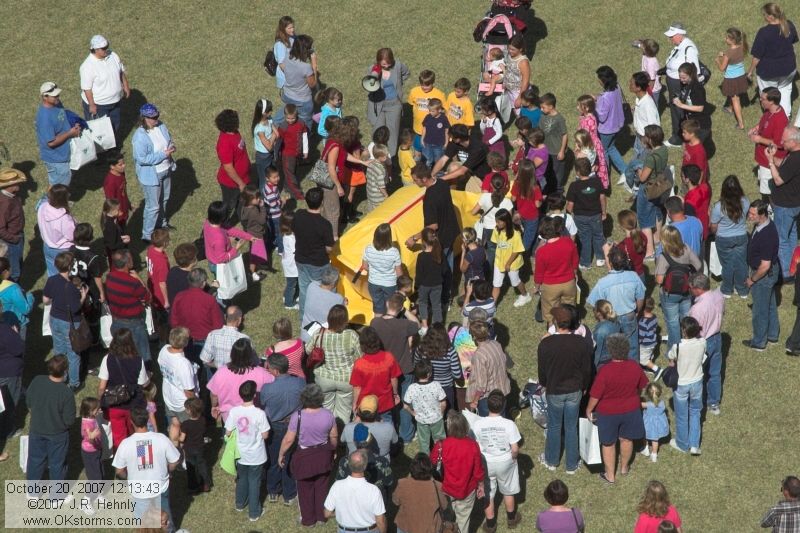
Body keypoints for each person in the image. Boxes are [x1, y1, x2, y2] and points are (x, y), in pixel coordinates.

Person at [586, 334, 648, 484]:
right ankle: (624, 468)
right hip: (631, 409)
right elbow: (642, 385)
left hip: (608, 412)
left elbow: (595, 394)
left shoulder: (605, 371)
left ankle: (610, 476)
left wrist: (589, 410)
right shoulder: (634, 366)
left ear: (611, 351)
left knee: (608, 443)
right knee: (627, 439)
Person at [537, 306, 592, 473]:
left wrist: (545, 384)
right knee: (571, 426)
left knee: (554, 426)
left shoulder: (545, 344)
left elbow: (542, 370)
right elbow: (587, 369)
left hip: (554, 390)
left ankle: (552, 461)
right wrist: (585, 387)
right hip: (575, 390)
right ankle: (571, 465)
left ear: (555, 323)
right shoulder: (582, 343)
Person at [278, 384, 338, 527]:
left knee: (304, 490)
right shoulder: (328, 414)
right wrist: (333, 450)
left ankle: (308, 520)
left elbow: (288, 439)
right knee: (322, 487)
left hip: (304, 457)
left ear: (304, 398)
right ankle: (321, 517)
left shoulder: (297, 416)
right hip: (323, 455)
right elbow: (334, 436)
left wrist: (281, 454)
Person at [113, 407, 180, 532]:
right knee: (165, 521)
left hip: (139, 492)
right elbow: (175, 461)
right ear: (147, 419)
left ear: (131, 422)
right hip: (160, 488)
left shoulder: (126, 444)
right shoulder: (161, 438)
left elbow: (119, 470)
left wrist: (128, 479)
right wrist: (168, 470)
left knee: (143, 525)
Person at [406, 164, 460, 300]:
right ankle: (449, 294)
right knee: (449, 263)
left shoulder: (429, 198)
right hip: (452, 230)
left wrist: (414, 238)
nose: (414, 182)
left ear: (424, 179)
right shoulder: (442, 183)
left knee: (440, 268)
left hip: (440, 238)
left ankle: (443, 297)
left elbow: (433, 225)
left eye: (416, 180)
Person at [371, 293, 419, 443]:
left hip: (383, 369)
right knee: (405, 402)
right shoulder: (404, 325)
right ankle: (406, 435)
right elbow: (417, 324)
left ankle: (389, 436)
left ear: (386, 304)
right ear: (400, 309)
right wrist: (405, 311)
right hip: (403, 368)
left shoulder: (375, 323)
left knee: (387, 402)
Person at [474, 390, 523, 532]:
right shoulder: (509, 424)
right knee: (508, 490)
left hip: (486, 462)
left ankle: (490, 525)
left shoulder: (478, 424)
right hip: (505, 460)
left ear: (487, 405)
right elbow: (514, 448)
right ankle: (511, 518)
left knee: (488, 492)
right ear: (503, 406)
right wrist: (513, 459)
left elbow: (475, 446)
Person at [260, 352, 304, 504]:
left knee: (274, 458)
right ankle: (289, 494)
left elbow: (263, 403)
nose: (267, 369)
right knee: (290, 458)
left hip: (276, 426)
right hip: (294, 425)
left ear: (276, 371)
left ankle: (272, 490)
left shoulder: (267, 388)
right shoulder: (300, 383)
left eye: (269, 368)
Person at [430, 411, 485, 533]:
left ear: (449, 427)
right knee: (463, 520)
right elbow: (478, 471)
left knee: (446, 517)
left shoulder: (441, 445)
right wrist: (481, 485)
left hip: (445, 488)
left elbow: (432, 463)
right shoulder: (473, 445)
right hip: (466, 490)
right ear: (465, 426)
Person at [588, 244, 645, 359]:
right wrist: (637, 311)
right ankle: (633, 371)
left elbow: (594, 302)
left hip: (611, 318)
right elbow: (640, 297)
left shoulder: (602, 283)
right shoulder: (634, 276)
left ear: (611, 263)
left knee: (612, 347)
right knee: (632, 347)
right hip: (629, 314)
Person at [97, 328, 150, 451]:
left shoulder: (107, 359)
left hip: (114, 404)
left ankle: (121, 465)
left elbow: (101, 386)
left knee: (118, 437)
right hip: (134, 404)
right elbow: (143, 383)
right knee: (136, 436)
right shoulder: (138, 360)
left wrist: (100, 401)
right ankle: (138, 459)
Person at [224, 380, 270, 522]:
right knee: (254, 482)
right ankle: (254, 512)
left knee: (242, 478)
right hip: (256, 455)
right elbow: (265, 435)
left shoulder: (234, 411)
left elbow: (228, 432)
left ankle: (239, 503)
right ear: (254, 396)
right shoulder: (259, 413)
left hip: (240, 453)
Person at [25, 355, 75, 484]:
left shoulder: (37, 380)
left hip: (36, 429)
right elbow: (69, 420)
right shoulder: (66, 392)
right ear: (65, 371)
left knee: (35, 460)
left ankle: (32, 493)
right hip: (57, 434)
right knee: (57, 463)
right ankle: (56, 497)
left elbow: (29, 402)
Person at [43, 252, 87, 389]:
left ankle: (60, 376)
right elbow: (75, 308)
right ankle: (74, 383)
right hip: (70, 323)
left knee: (59, 350)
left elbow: (45, 300)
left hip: (54, 319)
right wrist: (83, 296)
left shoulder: (51, 280)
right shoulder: (72, 288)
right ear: (69, 267)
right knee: (73, 354)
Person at [309, 305, 360, 423]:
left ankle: (328, 435)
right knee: (344, 411)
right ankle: (341, 436)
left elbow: (307, 350)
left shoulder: (319, 333)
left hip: (324, 378)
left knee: (326, 410)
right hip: (346, 380)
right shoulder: (352, 335)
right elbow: (360, 356)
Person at [133, 103, 176, 242]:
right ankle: (147, 235)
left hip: (166, 169)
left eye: (157, 116)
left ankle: (161, 225)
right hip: (152, 176)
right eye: (153, 117)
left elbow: (169, 139)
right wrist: (163, 155)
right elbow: (142, 159)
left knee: (165, 199)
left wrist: (171, 146)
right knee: (153, 206)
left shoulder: (161, 126)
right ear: (144, 118)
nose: (156, 119)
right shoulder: (139, 137)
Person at [747, 3, 798, 118]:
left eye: (765, 15)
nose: (764, 17)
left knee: (768, 96)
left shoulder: (764, 33)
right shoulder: (789, 25)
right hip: (789, 69)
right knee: (785, 91)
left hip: (768, 73)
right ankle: (785, 116)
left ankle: (772, 118)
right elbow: (793, 41)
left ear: (770, 17)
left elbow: (757, 57)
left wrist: (749, 72)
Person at [655, 226, 702, 350]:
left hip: (669, 294)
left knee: (672, 322)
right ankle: (688, 344)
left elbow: (659, 280)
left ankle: (675, 350)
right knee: (686, 318)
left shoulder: (663, 256)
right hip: (686, 291)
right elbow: (698, 265)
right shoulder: (686, 248)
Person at [744, 200, 781, 351]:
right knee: (770, 304)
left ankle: (759, 342)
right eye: (750, 212)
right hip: (769, 273)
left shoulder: (766, 235)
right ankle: (772, 334)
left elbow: (764, 266)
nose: (750, 216)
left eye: (753, 214)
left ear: (763, 214)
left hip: (763, 275)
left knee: (760, 309)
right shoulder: (764, 224)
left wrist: (752, 279)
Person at [207, 338, 273, 422]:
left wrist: (214, 406)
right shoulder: (262, 373)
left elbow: (214, 395)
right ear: (250, 355)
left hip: (229, 419)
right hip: (254, 420)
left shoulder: (221, 372)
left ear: (232, 354)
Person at [79, 35, 130, 143]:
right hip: (99, 105)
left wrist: (125, 86)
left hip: (115, 101)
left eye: (107, 46)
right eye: (103, 48)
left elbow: (120, 71)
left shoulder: (113, 55)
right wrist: (92, 105)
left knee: (115, 125)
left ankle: (113, 149)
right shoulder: (87, 66)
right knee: (100, 132)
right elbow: (87, 89)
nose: (106, 49)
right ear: (95, 49)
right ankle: (102, 155)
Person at [294, 187, 334, 318]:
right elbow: (329, 248)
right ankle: (323, 315)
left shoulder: (298, 215)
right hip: (318, 263)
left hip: (300, 259)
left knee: (304, 290)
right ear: (322, 202)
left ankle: (303, 317)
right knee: (324, 290)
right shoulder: (325, 224)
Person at [667, 316, 706, 455]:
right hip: (697, 382)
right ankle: (694, 445)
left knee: (682, 415)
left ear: (684, 331)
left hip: (682, 384)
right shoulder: (702, 342)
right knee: (695, 412)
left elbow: (671, 360)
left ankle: (682, 444)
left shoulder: (677, 347)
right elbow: (702, 358)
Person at [105, 249, 152, 363]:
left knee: (122, 353)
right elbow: (148, 298)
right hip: (134, 324)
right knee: (142, 354)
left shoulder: (110, 277)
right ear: (127, 263)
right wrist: (139, 279)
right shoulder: (133, 282)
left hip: (116, 321)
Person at [765, 126, 800, 279]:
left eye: (784, 141)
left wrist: (770, 162)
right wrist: (774, 158)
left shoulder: (795, 159)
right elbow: (785, 166)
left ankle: (786, 273)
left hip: (785, 206)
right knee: (792, 235)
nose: (781, 143)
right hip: (794, 204)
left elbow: (778, 180)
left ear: (793, 141)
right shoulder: (793, 155)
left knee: (781, 238)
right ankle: (794, 266)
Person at [688, 273, 725, 415]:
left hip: (703, 342)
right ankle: (714, 403)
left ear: (698, 289)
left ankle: (696, 402)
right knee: (715, 373)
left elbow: (693, 331)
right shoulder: (719, 295)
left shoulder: (697, 309)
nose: (690, 290)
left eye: (691, 288)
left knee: (697, 373)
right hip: (717, 337)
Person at [324, 450, 387, 533]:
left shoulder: (337, 486)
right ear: (365, 466)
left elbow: (327, 514)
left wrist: (341, 512)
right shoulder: (374, 490)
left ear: (349, 465)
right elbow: (380, 520)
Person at [170, 268, 224, 363]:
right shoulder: (209, 300)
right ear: (203, 283)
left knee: (191, 367)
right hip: (205, 340)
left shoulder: (179, 296)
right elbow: (218, 325)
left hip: (185, 340)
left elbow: (174, 321)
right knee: (208, 367)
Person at [710, 175, 751, 297]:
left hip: (723, 239)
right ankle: (742, 290)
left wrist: (714, 233)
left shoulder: (718, 207)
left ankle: (727, 289)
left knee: (727, 264)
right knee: (741, 263)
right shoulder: (746, 202)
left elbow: (713, 226)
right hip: (741, 237)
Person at [350, 326, 402, 420]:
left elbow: (357, 387)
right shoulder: (389, 357)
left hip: (365, 404)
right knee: (387, 425)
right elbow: (394, 378)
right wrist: (395, 394)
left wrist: (354, 403)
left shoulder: (359, 364)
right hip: (385, 401)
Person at [533, 217, 579, 324]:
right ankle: (570, 329)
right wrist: (575, 274)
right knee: (569, 310)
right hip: (569, 282)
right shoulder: (568, 242)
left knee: (552, 313)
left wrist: (536, 287)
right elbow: (575, 261)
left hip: (550, 286)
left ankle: (554, 333)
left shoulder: (542, 251)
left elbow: (539, 273)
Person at [157, 327, 198, 444]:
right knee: (187, 429)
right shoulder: (183, 364)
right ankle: (186, 453)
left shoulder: (164, 350)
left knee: (174, 424)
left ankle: (174, 448)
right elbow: (189, 391)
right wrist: (196, 405)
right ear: (185, 343)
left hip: (168, 396)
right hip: (182, 403)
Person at [35, 82, 81, 186]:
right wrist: (70, 133)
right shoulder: (44, 118)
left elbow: (63, 118)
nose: (58, 97)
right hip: (56, 160)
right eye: (54, 96)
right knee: (58, 188)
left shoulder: (56, 104)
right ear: (45, 97)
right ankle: (52, 202)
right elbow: (51, 143)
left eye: (58, 95)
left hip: (65, 153)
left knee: (64, 183)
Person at [366, 48, 410, 156]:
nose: (386, 66)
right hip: (378, 105)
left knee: (393, 132)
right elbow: (368, 84)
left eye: (389, 63)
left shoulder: (398, 66)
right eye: (383, 64)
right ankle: (376, 155)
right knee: (378, 131)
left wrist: (399, 84)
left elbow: (406, 73)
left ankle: (391, 157)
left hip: (394, 105)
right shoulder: (372, 69)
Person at [663, 23, 701, 146]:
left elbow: (695, 70)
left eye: (672, 36)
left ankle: (678, 138)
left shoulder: (689, 49)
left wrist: (686, 86)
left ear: (679, 35)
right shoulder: (680, 45)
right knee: (675, 109)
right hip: (674, 82)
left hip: (679, 84)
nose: (670, 39)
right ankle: (679, 134)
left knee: (678, 110)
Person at [392, 453, 449, 533]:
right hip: (429, 528)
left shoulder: (403, 483)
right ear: (429, 469)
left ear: (412, 468)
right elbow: (444, 505)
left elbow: (395, 501)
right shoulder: (437, 486)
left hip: (406, 526)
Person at [567, 158, 607, 269]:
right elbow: (602, 198)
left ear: (577, 172)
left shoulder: (574, 186)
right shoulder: (597, 182)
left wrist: (567, 216)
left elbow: (570, 204)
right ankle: (600, 258)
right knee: (598, 235)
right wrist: (604, 212)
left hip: (580, 217)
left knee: (585, 238)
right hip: (596, 215)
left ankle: (586, 262)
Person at [750, 88, 788, 204]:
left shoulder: (781, 120)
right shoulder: (769, 111)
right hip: (763, 159)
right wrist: (756, 128)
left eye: (763, 99)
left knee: (769, 190)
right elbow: (764, 122)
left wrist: (759, 139)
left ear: (771, 101)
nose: (760, 100)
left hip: (770, 160)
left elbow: (779, 143)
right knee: (764, 185)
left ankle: (771, 209)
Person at [413, 323, 463, 410]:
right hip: (445, 388)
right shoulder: (450, 351)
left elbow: (416, 366)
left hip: (426, 386)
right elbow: (457, 375)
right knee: (447, 415)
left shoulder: (420, 348)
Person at [466, 320, 511, 415]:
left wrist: (475, 401)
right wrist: (475, 368)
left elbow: (481, 386)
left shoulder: (479, 355)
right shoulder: (496, 344)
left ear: (474, 337)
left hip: (488, 399)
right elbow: (498, 363)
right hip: (502, 392)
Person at [402, 360, 446, 454]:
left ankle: (426, 462)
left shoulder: (412, 388)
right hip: (437, 418)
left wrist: (413, 413)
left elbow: (405, 406)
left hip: (421, 420)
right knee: (440, 441)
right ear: (429, 374)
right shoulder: (436, 385)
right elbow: (443, 403)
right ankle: (440, 459)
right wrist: (441, 413)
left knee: (424, 443)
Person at [491, 209, 531, 307]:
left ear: (506, 221)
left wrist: (508, 263)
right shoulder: (496, 230)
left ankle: (525, 295)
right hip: (499, 261)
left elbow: (517, 250)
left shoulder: (515, 234)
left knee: (515, 282)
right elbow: (497, 244)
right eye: (496, 221)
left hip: (513, 263)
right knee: (496, 284)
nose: (497, 223)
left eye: (499, 221)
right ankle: (491, 307)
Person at [626, 71, 661, 185]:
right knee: (637, 159)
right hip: (639, 136)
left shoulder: (648, 105)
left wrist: (647, 142)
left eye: (631, 83)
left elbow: (654, 127)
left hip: (645, 139)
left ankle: (638, 185)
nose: (629, 84)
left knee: (641, 163)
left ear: (638, 88)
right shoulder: (639, 99)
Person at [215, 109, 250, 218]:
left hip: (243, 178)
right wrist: (240, 183)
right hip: (232, 183)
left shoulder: (234, 132)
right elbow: (228, 167)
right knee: (229, 205)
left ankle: (242, 217)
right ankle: (222, 225)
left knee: (242, 202)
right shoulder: (225, 143)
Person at [361, 223, 403, 315]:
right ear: (389, 237)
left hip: (373, 283)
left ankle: (377, 326)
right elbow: (399, 273)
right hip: (390, 284)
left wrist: (374, 268)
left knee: (378, 308)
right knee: (391, 307)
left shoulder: (368, 249)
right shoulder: (394, 252)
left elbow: (364, 266)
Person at [595, 66, 627, 178]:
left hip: (606, 130)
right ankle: (624, 170)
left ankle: (605, 174)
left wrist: (596, 103)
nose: (597, 80)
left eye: (599, 78)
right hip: (617, 125)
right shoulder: (617, 87)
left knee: (604, 151)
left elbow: (602, 117)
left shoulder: (604, 98)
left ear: (603, 81)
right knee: (611, 148)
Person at [37, 184, 75, 277]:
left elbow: (41, 202)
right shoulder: (64, 219)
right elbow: (72, 236)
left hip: (47, 246)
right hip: (62, 250)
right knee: (66, 276)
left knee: (52, 274)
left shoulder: (42, 207)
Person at [715, 27, 749, 130]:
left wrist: (717, 60)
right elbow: (734, 56)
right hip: (741, 77)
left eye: (727, 38)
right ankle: (730, 108)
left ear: (732, 40)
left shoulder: (728, 53)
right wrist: (724, 55)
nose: (725, 39)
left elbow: (722, 68)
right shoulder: (743, 47)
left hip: (731, 79)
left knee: (735, 99)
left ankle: (741, 124)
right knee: (734, 94)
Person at [0, 315, 24, 461]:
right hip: (8, 372)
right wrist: (15, 334)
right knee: (10, 402)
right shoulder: (4, 330)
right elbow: (18, 348)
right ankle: (8, 430)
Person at [300, 264, 344, 341]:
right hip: (321, 340)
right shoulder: (338, 299)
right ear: (334, 284)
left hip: (305, 335)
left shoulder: (311, 286)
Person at [199, 306, 248, 373]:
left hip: (217, 375)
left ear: (225, 317)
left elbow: (205, 360)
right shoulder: (245, 339)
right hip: (236, 376)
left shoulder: (213, 334)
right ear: (239, 320)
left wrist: (218, 365)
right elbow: (252, 362)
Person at [179, 397, 210, 494]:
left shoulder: (185, 424)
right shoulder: (203, 420)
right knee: (202, 466)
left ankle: (193, 487)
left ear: (189, 411)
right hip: (200, 448)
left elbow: (182, 439)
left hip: (189, 450)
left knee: (191, 468)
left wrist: (176, 437)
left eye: (186, 409)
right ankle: (205, 483)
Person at [539, 93, 569, 193]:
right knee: (547, 171)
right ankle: (549, 189)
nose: (541, 109)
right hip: (546, 150)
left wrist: (562, 151)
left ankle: (558, 192)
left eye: (543, 107)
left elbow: (564, 135)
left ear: (551, 107)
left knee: (557, 173)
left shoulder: (559, 119)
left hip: (556, 151)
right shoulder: (543, 116)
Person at [0, 169, 26, 282]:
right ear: (10, 186)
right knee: (14, 272)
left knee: (18, 264)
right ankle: (14, 295)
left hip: (17, 237)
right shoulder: (5, 203)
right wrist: (14, 239)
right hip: (12, 241)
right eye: (16, 182)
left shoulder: (12, 196)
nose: (19, 184)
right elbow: (0, 229)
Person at [502, 33, 531, 121]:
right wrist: (505, 82)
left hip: (518, 91)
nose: (510, 51)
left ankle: (525, 128)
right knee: (514, 108)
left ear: (520, 49)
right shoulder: (510, 55)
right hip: (510, 89)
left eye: (513, 49)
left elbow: (525, 81)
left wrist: (520, 97)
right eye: (509, 48)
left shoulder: (523, 62)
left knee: (521, 113)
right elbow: (509, 69)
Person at [640, 382, 669, 463]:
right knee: (655, 440)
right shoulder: (662, 403)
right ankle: (654, 455)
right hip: (658, 425)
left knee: (645, 436)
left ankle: (645, 449)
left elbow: (638, 405)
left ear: (647, 394)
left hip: (649, 425)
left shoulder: (647, 404)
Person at [103, 151, 132, 229]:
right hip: (117, 213)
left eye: (124, 163)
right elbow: (110, 202)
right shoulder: (110, 182)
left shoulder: (121, 173)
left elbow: (124, 190)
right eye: (120, 165)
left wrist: (128, 203)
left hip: (124, 207)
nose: (124, 166)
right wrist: (116, 214)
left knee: (124, 227)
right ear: (112, 166)